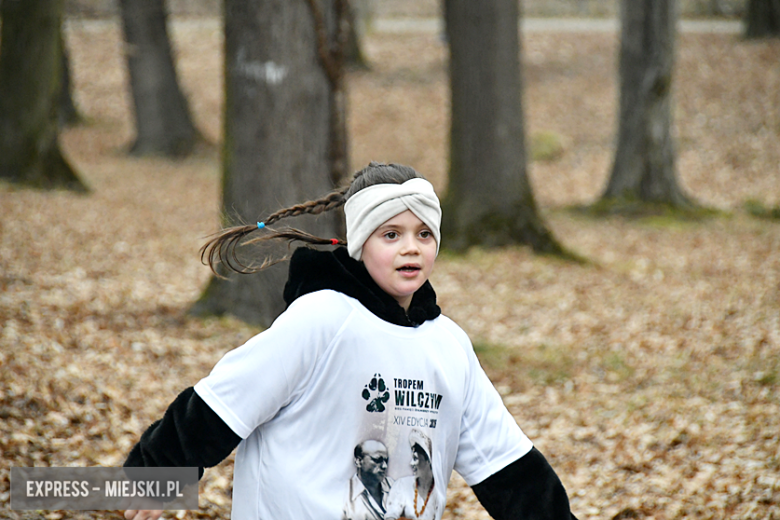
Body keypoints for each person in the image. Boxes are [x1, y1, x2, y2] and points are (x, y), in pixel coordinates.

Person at [123, 162, 578, 520]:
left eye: (424, 234)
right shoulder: (322, 320)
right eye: (391, 235)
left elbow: (508, 468)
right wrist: (158, 474)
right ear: (361, 244)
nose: (411, 248)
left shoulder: (450, 346)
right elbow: (225, 402)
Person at [385, 429, 439, 520]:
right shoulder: (403, 485)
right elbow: (391, 514)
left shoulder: (439, 490)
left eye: (415, 458)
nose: (411, 463)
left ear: (428, 461)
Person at [343, 440, 393, 520]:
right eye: (377, 460)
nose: (384, 466)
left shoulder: (395, 486)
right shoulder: (344, 495)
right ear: (358, 461)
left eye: (386, 461)